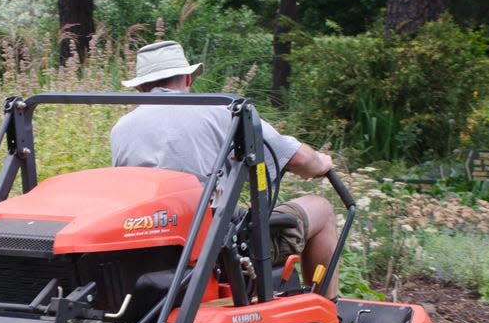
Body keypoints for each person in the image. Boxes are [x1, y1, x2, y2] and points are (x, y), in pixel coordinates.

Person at [110, 40, 339, 299]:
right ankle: (330, 315)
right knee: (322, 209)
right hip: (217, 249)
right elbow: (295, 157)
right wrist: (320, 162)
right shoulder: (221, 112)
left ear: (141, 87)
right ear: (187, 78)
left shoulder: (121, 129)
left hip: (154, 246)